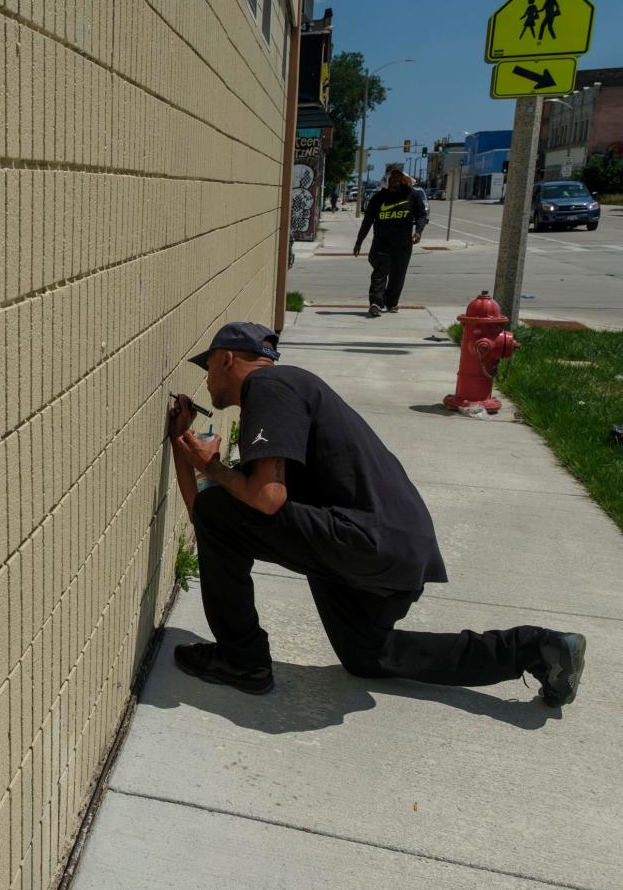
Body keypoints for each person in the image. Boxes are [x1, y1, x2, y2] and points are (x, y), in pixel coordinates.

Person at [165, 321, 587, 705]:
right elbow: (207, 515)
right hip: (397, 551)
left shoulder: (271, 386)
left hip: (366, 541)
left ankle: (242, 660)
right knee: (367, 655)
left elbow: (263, 500)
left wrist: (214, 468)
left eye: (209, 367)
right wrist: (185, 445)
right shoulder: (290, 408)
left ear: (228, 359)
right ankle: (537, 648)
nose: (207, 379)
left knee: (226, 504)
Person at [354, 165, 428, 317]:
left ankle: (391, 303)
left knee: (398, 275)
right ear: (387, 180)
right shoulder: (378, 198)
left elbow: (421, 215)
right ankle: (376, 303)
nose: (395, 182)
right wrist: (359, 242)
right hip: (382, 243)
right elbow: (367, 221)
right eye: (392, 179)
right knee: (379, 274)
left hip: (403, 244)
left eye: (398, 179)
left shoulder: (412, 195)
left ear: (403, 180)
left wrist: (419, 231)